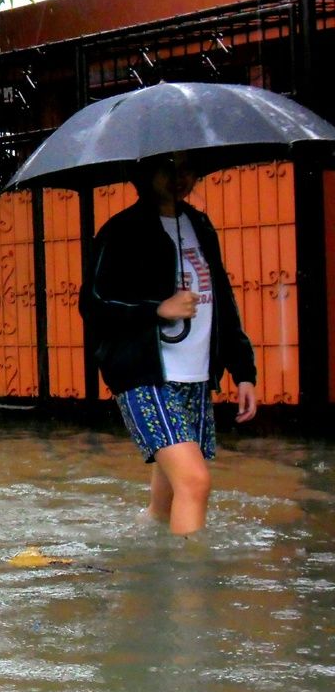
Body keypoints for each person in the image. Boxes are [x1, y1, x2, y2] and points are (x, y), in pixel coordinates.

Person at [80, 153, 257, 535]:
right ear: (145, 172)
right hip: (145, 374)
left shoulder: (199, 225)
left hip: (195, 376)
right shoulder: (121, 231)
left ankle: (146, 550)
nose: (181, 177)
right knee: (194, 481)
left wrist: (243, 371)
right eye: (169, 168)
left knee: (169, 499)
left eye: (188, 168)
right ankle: (188, 572)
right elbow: (93, 306)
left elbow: (222, 301)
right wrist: (157, 309)